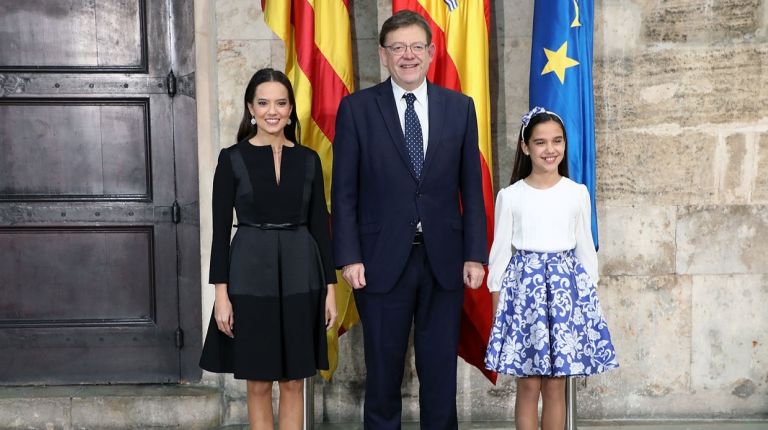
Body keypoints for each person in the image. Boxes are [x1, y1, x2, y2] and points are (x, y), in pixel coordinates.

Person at [331, 10, 487, 430]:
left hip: (444, 261)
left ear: (431, 53)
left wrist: (475, 255)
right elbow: (343, 191)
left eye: (417, 46)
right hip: (380, 262)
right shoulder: (357, 110)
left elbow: (471, 189)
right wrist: (348, 257)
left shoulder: (460, 108)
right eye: (398, 47)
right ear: (383, 55)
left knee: (440, 376)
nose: (408, 55)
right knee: (382, 376)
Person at [199, 68, 337, 430]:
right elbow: (218, 235)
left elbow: (321, 228)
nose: (271, 110)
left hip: (301, 275)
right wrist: (222, 297)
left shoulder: (309, 159)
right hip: (248, 276)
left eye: (280, 102)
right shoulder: (231, 159)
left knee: (293, 381)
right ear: (250, 108)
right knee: (258, 382)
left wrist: (331, 291)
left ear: (291, 109)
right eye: (263, 103)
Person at [484, 107, 619, 430]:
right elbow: (500, 257)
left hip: (564, 298)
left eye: (557, 141)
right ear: (525, 146)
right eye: (540, 142)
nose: (550, 149)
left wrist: (586, 311)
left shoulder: (577, 193)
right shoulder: (511, 196)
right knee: (528, 384)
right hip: (525, 296)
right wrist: (498, 314)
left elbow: (586, 253)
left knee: (556, 385)